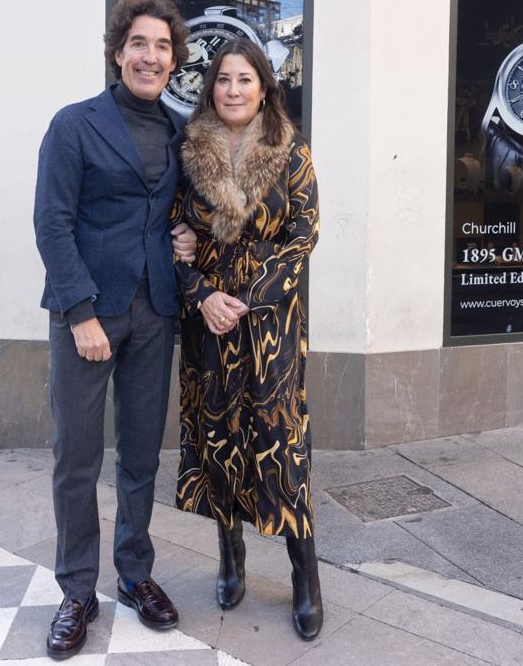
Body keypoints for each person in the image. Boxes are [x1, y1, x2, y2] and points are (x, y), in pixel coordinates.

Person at [33, 0, 196, 659]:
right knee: (76, 457)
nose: (150, 56)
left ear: (173, 59)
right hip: (90, 317)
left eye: (162, 46)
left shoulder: (184, 132)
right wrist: (79, 312)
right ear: (117, 51)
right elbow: (52, 221)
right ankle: (77, 590)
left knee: (138, 454)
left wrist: (186, 236)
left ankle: (133, 574)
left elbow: (181, 210)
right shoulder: (75, 125)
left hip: (156, 312)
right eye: (139, 43)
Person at [172, 38, 323, 640]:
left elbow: (304, 231)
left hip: (270, 322)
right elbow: (173, 230)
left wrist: (252, 296)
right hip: (208, 319)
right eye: (224, 79)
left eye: (246, 79)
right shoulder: (189, 151)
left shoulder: (290, 149)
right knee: (217, 437)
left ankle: (305, 576)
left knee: (281, 444)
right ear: (212, 88)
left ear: (265, 87)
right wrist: (200, 293)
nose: (234, 90)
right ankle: (230, 554)